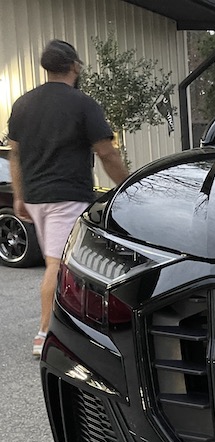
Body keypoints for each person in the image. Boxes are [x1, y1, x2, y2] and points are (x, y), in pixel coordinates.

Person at [7, 40, 128, 357]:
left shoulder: (23, 104)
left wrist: (20, 197)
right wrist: (128, 184)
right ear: (74, 66)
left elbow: (15, 156)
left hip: (36, 197)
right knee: (57, 265)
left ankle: (73, 323)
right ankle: (45, 332)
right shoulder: (82, 104)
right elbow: (106, 152)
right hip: (66, 197)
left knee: (66, 263)